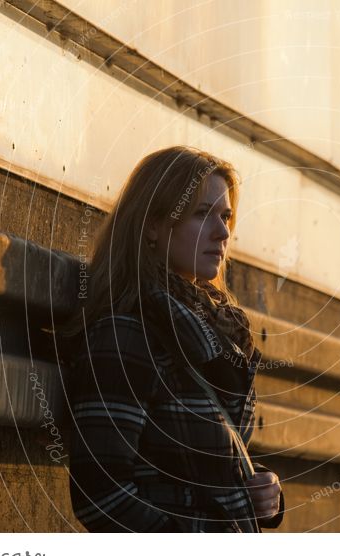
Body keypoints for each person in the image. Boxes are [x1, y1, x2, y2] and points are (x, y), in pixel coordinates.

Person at [59, 146, 284, 532]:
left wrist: (262, 488)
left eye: (226, 217)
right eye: (202, 214)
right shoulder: (129, 334)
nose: (223, 232)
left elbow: (194, 463)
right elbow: (101, 494)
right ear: (153, 224)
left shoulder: (212, 334)